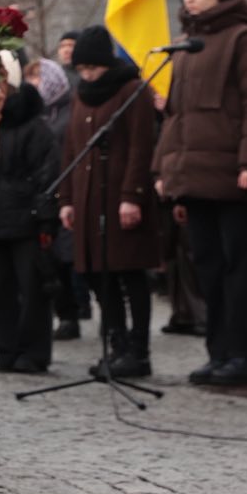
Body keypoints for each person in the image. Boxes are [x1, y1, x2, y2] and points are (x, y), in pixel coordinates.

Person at [153, 0, 247, 387]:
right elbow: (175, 118)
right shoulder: (187, 46)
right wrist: (164, 170)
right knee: (210, 269)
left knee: (244, 268)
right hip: (196, 179)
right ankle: (220, 353)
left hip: (237, 179)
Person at [59, 26, 161, 378]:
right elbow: (71, 149)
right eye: (82, 70)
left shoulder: (132, 91)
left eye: (92, 69)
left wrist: (131, 196)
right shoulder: (80, 96)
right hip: (88, 201)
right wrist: (67, 199)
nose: (86, 75)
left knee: (129, 274)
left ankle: (138, 350)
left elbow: (141, 147)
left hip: (121, 198)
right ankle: (116, 345)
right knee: (98, 275)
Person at [0, 79, 59, 373]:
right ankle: (5, 347)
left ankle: (33, 351)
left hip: (25, 222)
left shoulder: (36, 129)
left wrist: (44, 219)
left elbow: (48, 176)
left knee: (32, 290)